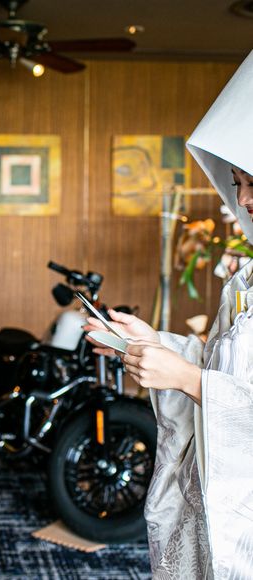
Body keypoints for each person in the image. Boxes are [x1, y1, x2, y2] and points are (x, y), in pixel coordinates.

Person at [86, 52, 253, 579]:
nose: (243, 200)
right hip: (218, 490)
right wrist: (152, 342)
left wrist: (185, 379)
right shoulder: (247, 280)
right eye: (237, 183)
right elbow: (226, 364)